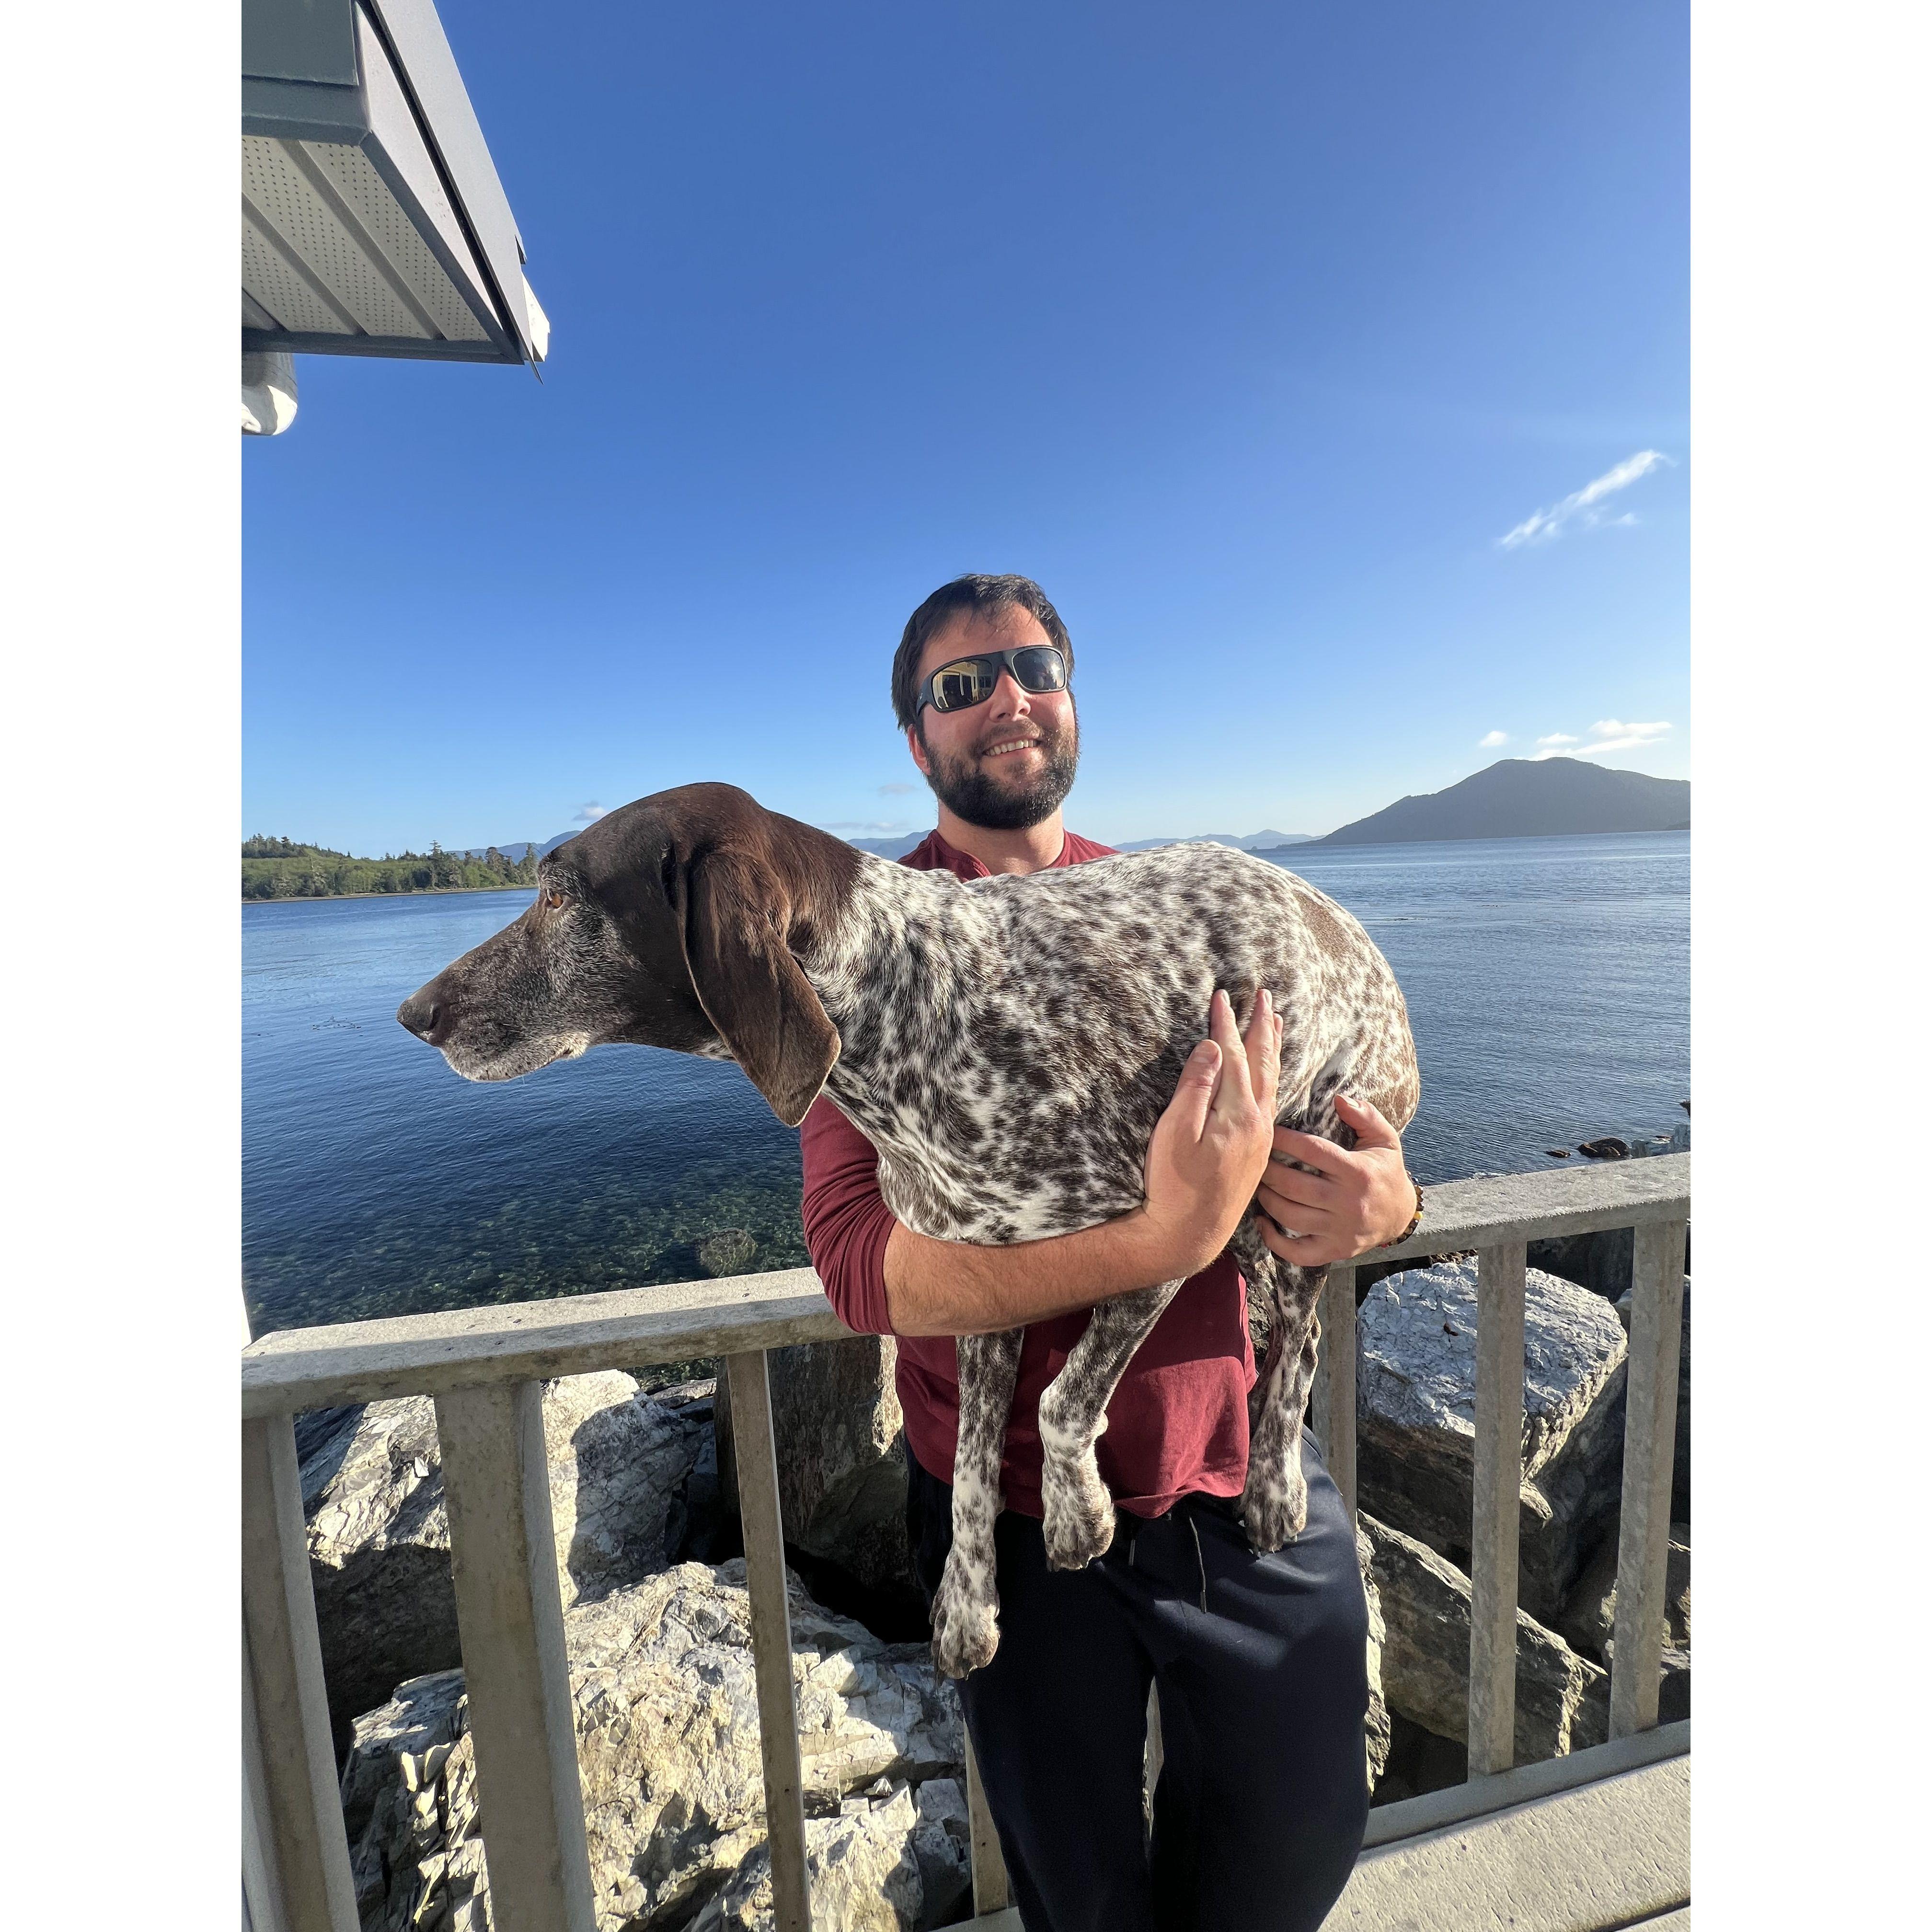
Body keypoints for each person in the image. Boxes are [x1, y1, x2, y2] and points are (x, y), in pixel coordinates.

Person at [800, 574, 1419, 1932]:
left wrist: (1388, 1207)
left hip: (1241, 1469)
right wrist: (1162, 1236)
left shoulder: (1182, 913)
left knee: (1296, 1839)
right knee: (1084, 1900)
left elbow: (1332, 1119)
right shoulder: (866, 941)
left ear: (1072, 701)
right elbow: (856, 1258)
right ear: (917, 741)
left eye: (1032, 667)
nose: (1005, 698)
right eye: (961, 685)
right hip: (1016, 1524)